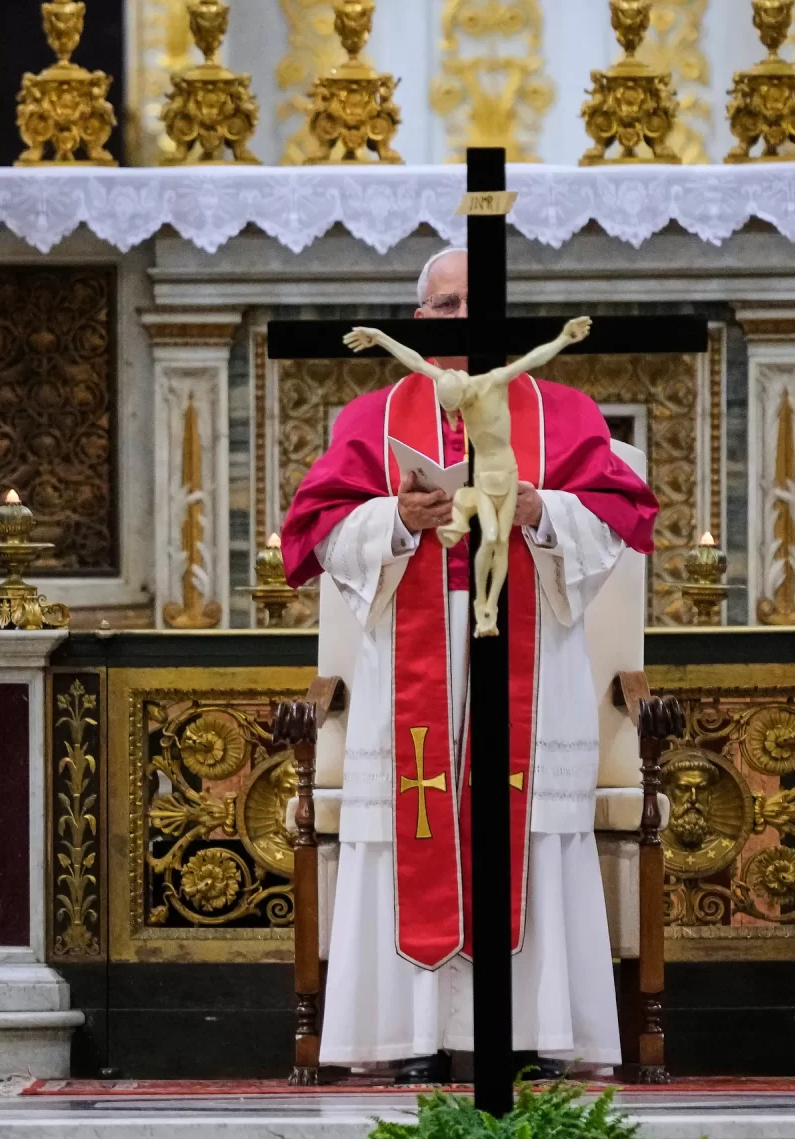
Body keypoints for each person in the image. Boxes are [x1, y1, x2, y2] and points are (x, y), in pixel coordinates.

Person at [279, 246, 657, 1079]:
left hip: (529, 644)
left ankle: (530, 1033)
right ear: (419, 322)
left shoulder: (561, 411)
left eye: (477, 302)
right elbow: (311, 533)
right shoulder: (372, 419)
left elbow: (622, 514)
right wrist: (398, 521)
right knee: (414, 823)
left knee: (523, 827)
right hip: (408, 650)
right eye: (446, 306)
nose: (463, 318)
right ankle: (411, 1039)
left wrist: (538, 507)